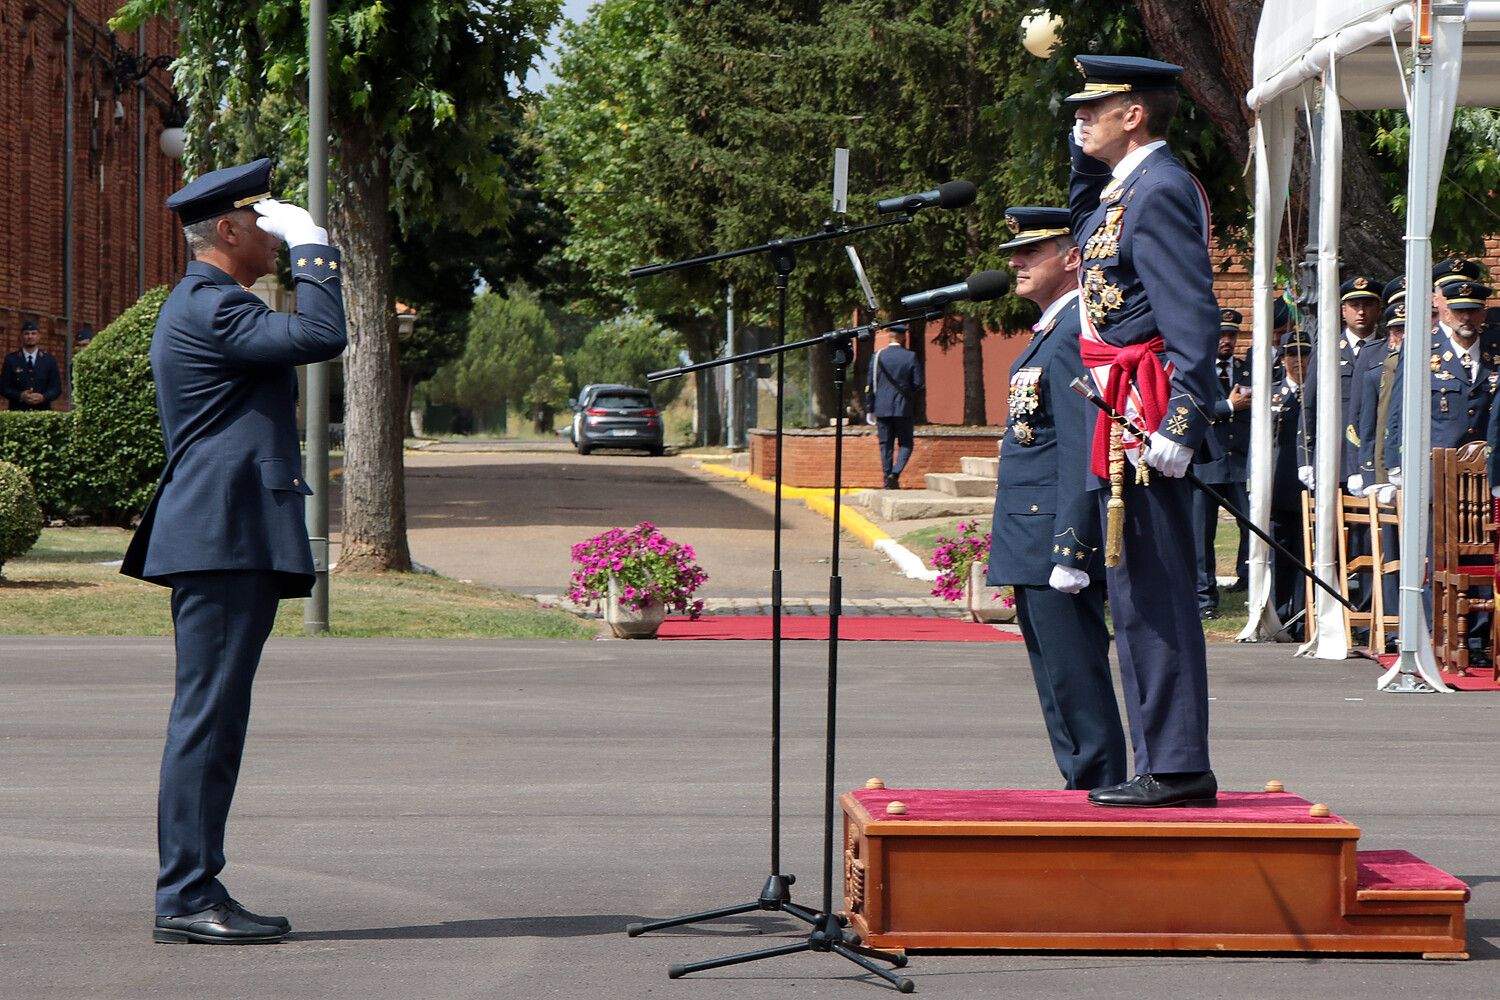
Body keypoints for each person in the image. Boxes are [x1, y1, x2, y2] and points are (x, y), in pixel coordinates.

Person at [120, 158, 347, 945]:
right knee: (207, 721)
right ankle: (185, 894)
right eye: (264, 222)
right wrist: (315, 247)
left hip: (227, 535)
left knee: (214, 719)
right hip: (221, 537)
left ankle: (193, 885)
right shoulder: (214, 306)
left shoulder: (213, 303)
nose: (274, 236)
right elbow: (321, 334)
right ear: (227, 229)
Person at [1067, 55, 1220, 808]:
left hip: (1148, 413)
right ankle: (1162, 757)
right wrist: (1079, 146)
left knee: (1154, 595)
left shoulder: (1158, 190)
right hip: (1118, 405)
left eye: (1091, 110)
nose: (1078, 122)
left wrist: (1181, 425)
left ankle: (1179, 765)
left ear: (1133, 115)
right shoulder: (1120, 191)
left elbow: (1193, 317)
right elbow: (1080, 216)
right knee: (1131, 596)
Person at [985, 206, 1126, 791]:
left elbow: (1078, 448)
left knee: (1074, 674)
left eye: (1031, 252)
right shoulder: (1049, 331)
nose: (1017, 263)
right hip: (1030, 531)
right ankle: (1081, 783)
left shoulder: (1071, 334)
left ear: (1072, 259)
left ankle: (1098, 782)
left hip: (1051, 535)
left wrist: (1072, 546)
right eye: (1015, 254)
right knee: (1054, 679)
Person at [1191, 308, 1250, 618]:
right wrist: (1229, 405)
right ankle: (1204, 598)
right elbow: (1193, 409)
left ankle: (1249, 582)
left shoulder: (1246, 370)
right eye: (1222, 334)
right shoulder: (1198, 371)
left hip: (1240, 462)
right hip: (1207, 463)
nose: (1226, 340)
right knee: (1202, 535)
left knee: (1252, 526)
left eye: (1231, 335)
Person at [1300, 275, 1382, 491]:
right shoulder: (1328, 350)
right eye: (1355, 305)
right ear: (1343, 311)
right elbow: (1309, 404)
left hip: (1376, 454)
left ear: (1379, 309)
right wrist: (1305, 456)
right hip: (1335, 455)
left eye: (1368, 305)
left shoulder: (1386, 349)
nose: (1361, 312)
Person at [1269, 324, 1312, 639]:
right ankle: (1281, 613)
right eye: (1291, 354)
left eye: (1304, 354)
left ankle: (1304, 614)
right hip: (1280, 486)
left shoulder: (1319, 391)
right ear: (1282, 358)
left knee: (1307, 551)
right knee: (1280, 551)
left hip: (1309, 485)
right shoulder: (1272, 393)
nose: (1298, 360)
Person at [866, 323, 922, 489]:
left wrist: (870, 407)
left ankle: (887, 480)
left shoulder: (877, 356)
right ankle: (895, 474)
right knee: (906, 444)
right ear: (903, 337)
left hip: (881, 407)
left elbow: (870, 384)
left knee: (885, 445)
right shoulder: (910, 357)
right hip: (903, 408)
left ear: (889, 336)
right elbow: (918, 383)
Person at [2, 318, 63, 411]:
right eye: (26, 334)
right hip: (18, 412)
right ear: (21, 336)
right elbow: (3, 387)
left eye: (33, 333)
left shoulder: (49, 360)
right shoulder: (11, 359)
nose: (30, 336)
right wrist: (20, 395)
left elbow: (56, 388)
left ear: (39, 336)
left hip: (42, 412)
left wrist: (43, 397)